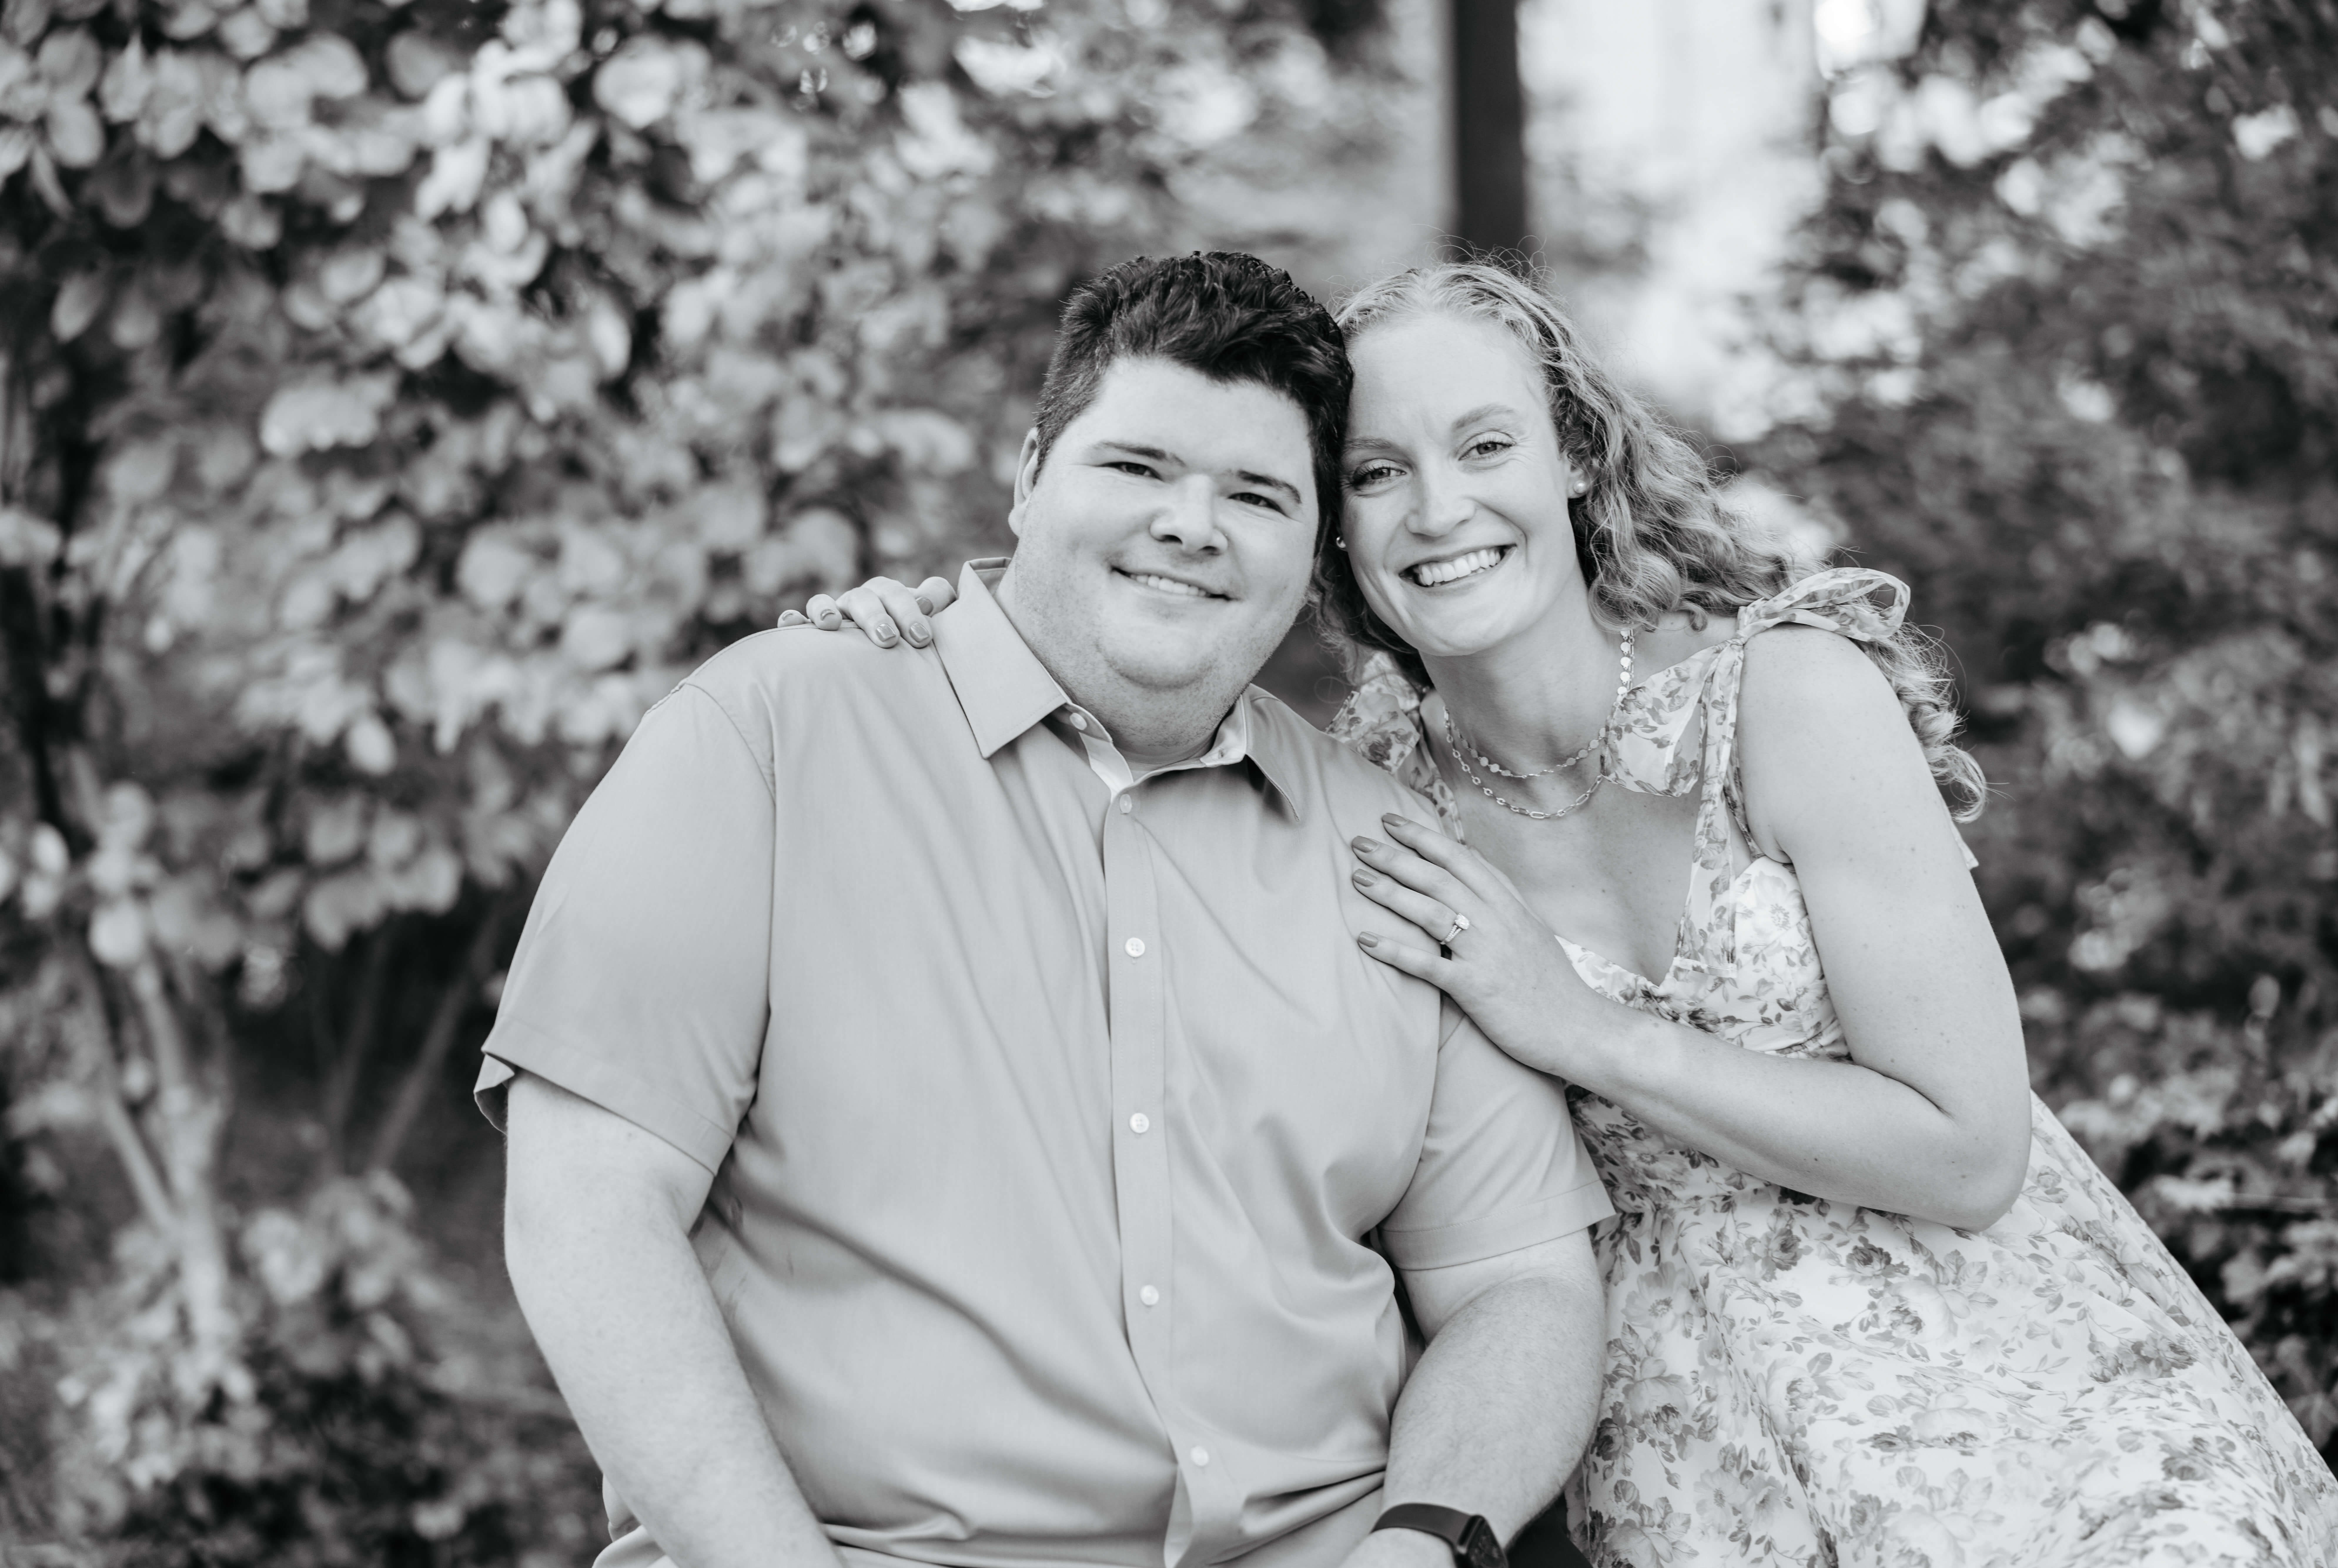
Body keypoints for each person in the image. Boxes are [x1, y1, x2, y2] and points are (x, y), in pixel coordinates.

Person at [801, 261, 2338, 1567]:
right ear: (1331, 526)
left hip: (2026, 1423)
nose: (1439, 508)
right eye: (1376, 472)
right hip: (1692, 1473)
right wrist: (926, 640)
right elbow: (1127, 841)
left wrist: (1584, 1030)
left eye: (1485, 446)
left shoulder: (1787, 698)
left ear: (1574, 462)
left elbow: (1968, 1146)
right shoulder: (1368, 802)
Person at [481, 252, 1620, 1568]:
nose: (1191, 524)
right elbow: (586, 1205)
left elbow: (1519, 1281)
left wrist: (1417, 1543)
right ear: (1028, 474)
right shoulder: (770, 736)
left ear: (1310, 550)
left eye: (1253, 493)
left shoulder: (1390, 847)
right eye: (1136, 468)